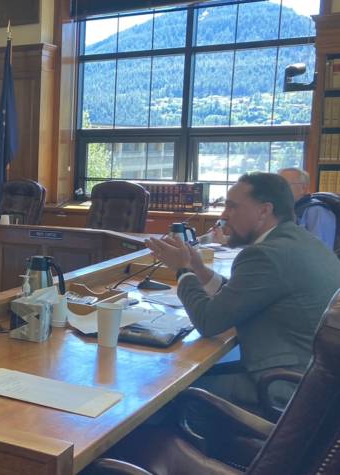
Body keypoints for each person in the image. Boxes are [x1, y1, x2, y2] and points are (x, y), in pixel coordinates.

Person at [145, 172, 340, 411]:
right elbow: (242, 295)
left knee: (164, 388)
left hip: (285, 388)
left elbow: (208, 321)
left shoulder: (265, 255)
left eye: (232, 206)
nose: (223, 216)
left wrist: (182, 271)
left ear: (264, 211)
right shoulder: (301, 241)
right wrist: (198, 267)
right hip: (317, 382)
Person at [278, 167, 336, 251]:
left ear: (303, 188)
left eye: (284, 185)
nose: (278, 190)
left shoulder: (316, 211)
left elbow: (320, 251)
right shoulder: (283, 209)